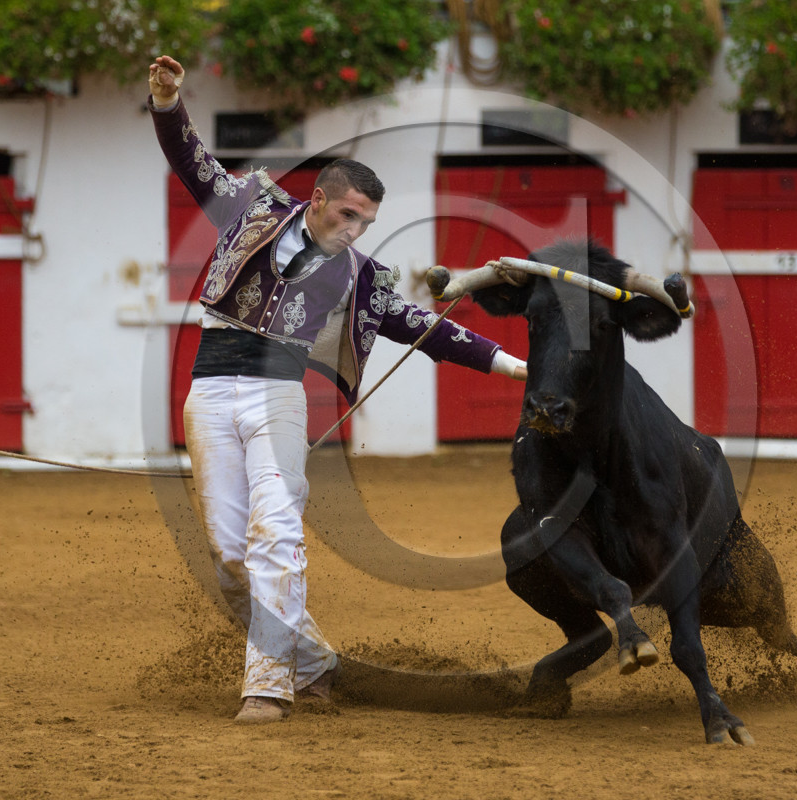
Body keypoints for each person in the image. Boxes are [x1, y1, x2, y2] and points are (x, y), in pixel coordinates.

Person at [146, 55, 527, 723]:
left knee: (276, 530)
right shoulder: (253, 207)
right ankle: (315, 662)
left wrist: (510, 364)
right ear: (318, 199)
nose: (354, 231)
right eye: (348, 214)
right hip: (207, 391)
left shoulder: (359, 274)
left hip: (277, 398)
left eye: (366, 223)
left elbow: (423, 327)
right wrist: (168, 101)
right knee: (228, 557)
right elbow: (193, 165)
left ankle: (267, 686)